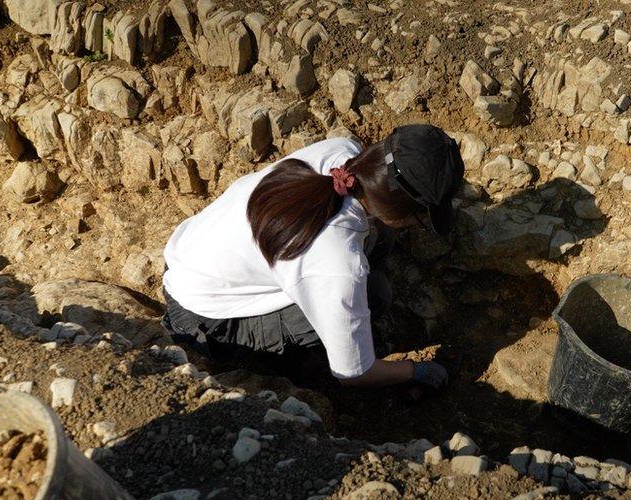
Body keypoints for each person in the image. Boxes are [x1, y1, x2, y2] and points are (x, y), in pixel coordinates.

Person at [160, 124, 464, 395]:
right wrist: (416, 371)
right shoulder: (337, 265)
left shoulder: (343, 151)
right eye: (420, 218)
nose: (418, 223)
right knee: (374, 294)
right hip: (202, 315)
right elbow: (355, 373)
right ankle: (297, 372)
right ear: (397, 210)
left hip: (195, 253)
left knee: (379, 244)